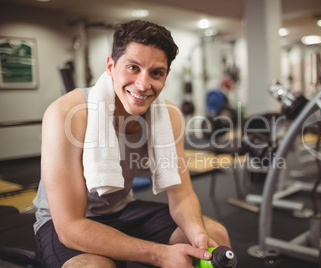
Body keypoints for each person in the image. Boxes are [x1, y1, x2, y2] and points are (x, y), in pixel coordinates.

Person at [33, 19, 231, 268]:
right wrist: (160, 255)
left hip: (122, 210)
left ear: (166, 75)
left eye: (156, 73)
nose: (143, 84)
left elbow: (182, 196)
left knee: (216, 238)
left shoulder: (168, 115)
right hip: (65, 221)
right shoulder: (67, 114)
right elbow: (70, 227)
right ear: (110, 66)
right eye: (133, 67)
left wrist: (198, 235)